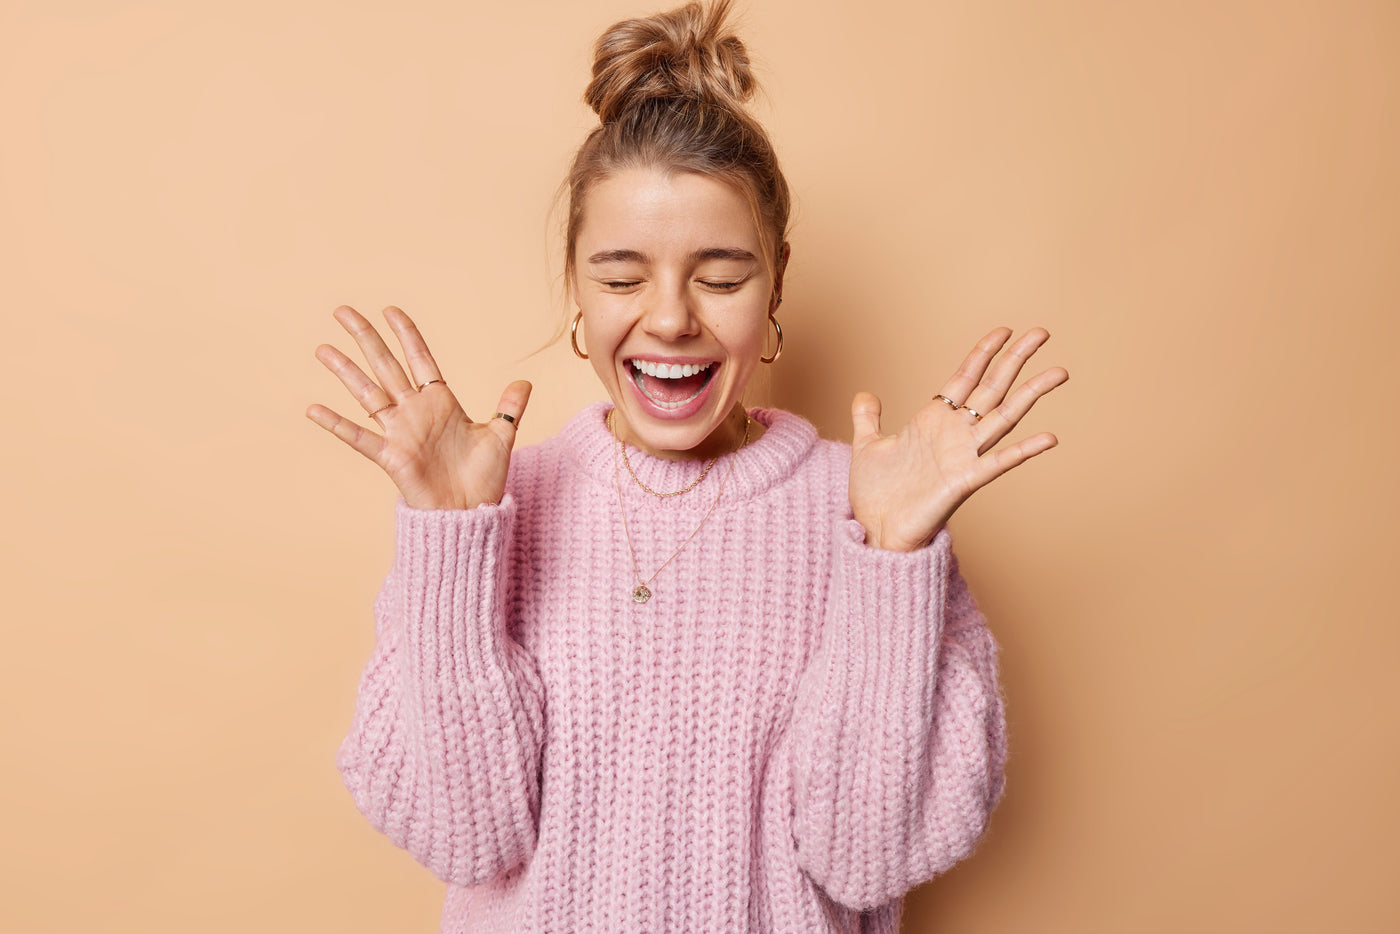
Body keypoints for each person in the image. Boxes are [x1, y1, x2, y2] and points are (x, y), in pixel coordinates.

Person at [306, 2, 1067, 931]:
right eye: (623, 277)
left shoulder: (868, 512)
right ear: (575, 287)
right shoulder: (495, 506)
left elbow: (864, 863)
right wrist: (453, 542)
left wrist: (892, 558)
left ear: (777, 281)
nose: (670, 319)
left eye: (720, 276)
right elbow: (469, 842)